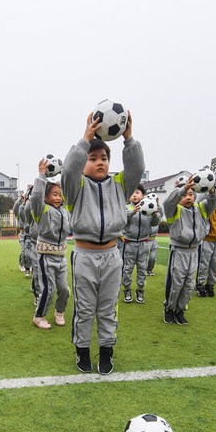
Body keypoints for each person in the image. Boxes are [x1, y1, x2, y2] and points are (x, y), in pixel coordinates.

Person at [62, 112, 145, 374]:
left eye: (104, 158)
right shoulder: (75, 187)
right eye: (93, 158)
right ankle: (82, 350)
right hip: (84, 256)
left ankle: (107, 350)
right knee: (85, 309)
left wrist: (129, 139)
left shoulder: (119, 185)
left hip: (112, 255)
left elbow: (136, 168)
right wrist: (85, 140)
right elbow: (69, 169)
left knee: (108, 309)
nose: (100, 162)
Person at [162, 180, 216, 324]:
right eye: (184, 195)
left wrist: (212, 191)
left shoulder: (200, 209)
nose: (188, 197)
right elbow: (168, 202)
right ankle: (169, 309)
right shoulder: (174, 210)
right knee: (176, 283)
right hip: (179, 252)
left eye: (191, 194)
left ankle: (179, 310)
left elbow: (214, 201)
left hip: (195, 251)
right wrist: (183, 189)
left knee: (189, 285)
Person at [30, 160, 71, 328]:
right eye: (54, 194)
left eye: (60, 195)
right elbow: (35, 198)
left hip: (61, 257)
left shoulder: (64, 210)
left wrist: (64, 174)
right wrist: (41, 177)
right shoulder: (42, 211)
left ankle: (59, 312)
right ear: (46, 197)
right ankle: (39, 316)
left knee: (64, 290)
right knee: (48, 289)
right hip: (46, 257)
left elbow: (68, 190)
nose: (58, 198)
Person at [120, 185, 159, 304]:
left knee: (142, 269)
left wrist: (155, 215)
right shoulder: (126, 208)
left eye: (137, 192)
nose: (135, 195)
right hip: (129, 243)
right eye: (132, 193)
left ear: (143, 195)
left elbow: (154, 223)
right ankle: (127, 289)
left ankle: (140, 290)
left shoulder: (148, 208)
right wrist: (132, 212)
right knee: (127, 268)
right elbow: (122, 221)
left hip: (144, 243)